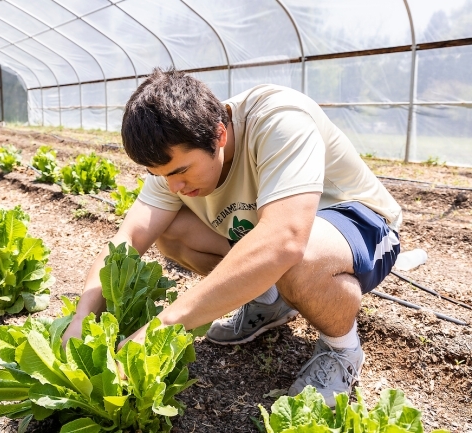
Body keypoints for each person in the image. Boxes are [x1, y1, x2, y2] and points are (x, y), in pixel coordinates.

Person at [62, 68, 401, 406]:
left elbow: (285, 240)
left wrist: (164, 325)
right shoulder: (175, 151)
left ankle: (342, 350)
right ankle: (268, 302)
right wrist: (83, 317)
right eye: (160, 175)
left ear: (219, 134)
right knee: (170, 230)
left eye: (180, 171)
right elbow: (129, 237)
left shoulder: (278, 120)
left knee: (294, 255)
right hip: (282, 234)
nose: (174, 186)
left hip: (361, 227)